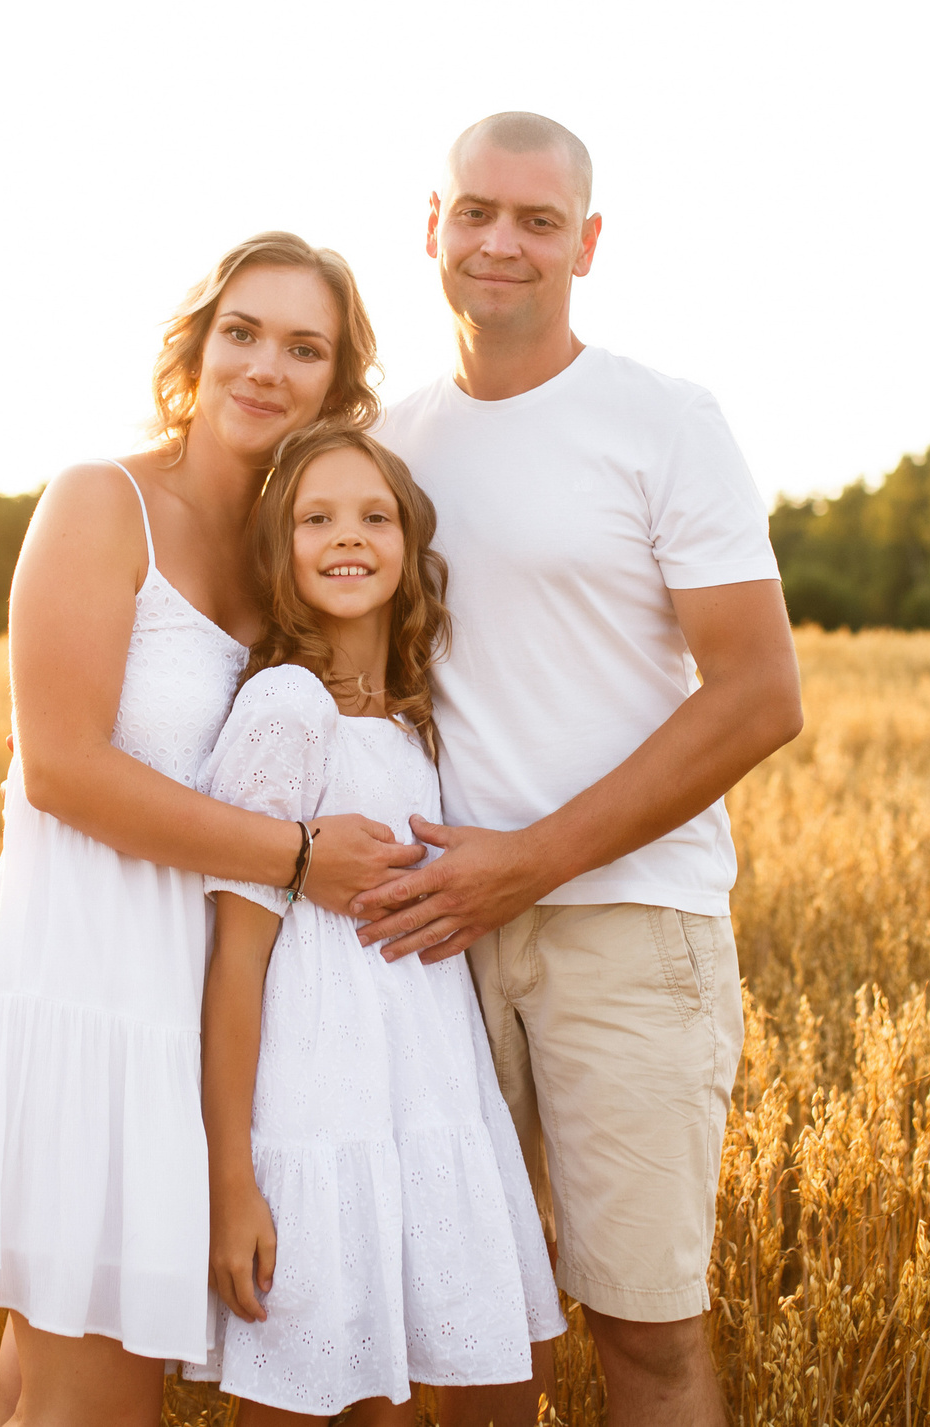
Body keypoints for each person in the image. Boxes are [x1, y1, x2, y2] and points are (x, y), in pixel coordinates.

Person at [0, 232, 426, 1427]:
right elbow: (66, 771)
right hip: (81, 992)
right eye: (241, 332)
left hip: (187, 1019)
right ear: (198, 345)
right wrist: (295, 862)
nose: (263, 367)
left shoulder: (289, 555)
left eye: (303, 348)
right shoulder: (102, 500)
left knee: (46, 1403)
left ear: (337, 388)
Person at [365, 114, 806, 1427]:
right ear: (431, 224)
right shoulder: (382, 444)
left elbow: (758, 692)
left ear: (588, 243)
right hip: (434, 936)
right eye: (477, 210)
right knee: (466, 1327)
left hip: (626, 922)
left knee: (643, 1328)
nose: (503, 241)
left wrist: (531, 858)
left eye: (539, 219)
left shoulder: (662, 420)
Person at [191, 422, 564, 1426]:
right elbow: (235, 963)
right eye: (315, 518)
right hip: (321, 1121)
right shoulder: (283, 708)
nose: (345, 537)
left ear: (408, 546)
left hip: (435, 1109)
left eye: (373, 516)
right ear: (278, 549)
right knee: (325, 1396)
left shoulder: (417, 720)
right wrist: (234, 1181)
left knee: (487, 1388)